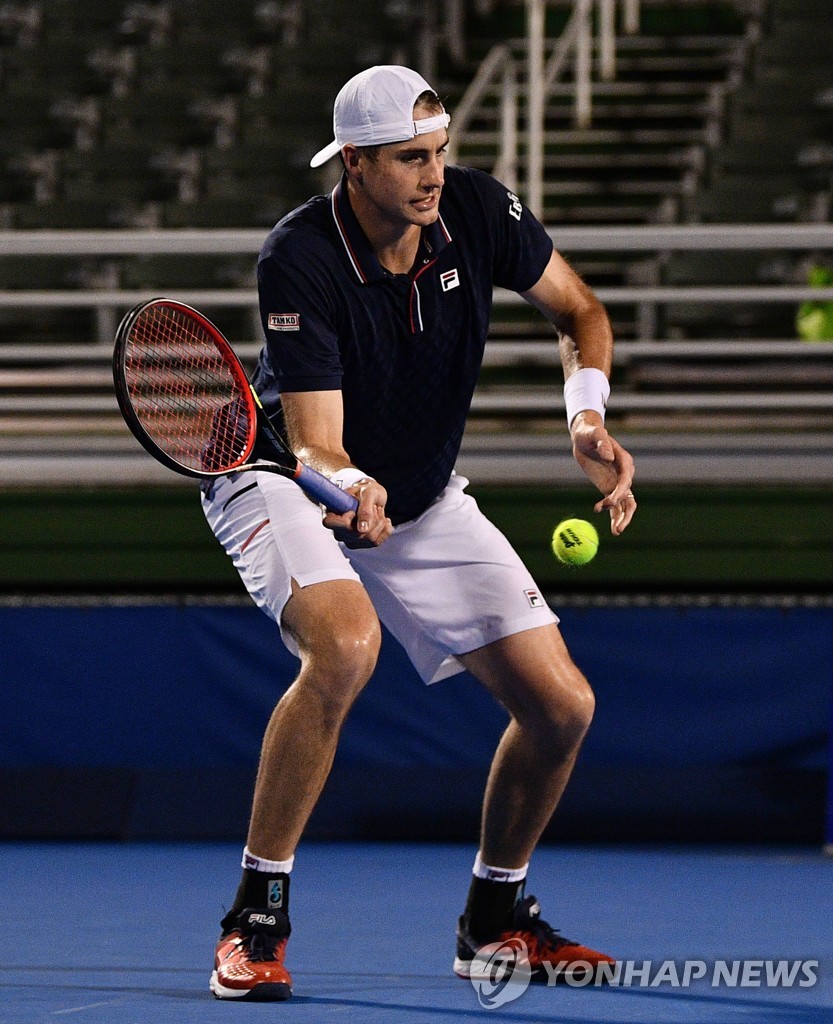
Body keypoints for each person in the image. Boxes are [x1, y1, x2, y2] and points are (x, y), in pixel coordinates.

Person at [202, 64, 636, 1001]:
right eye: (408, 158)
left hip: (421, 494)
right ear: (354, 164)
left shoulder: (476, 210)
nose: (433, 175)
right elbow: (319, 442)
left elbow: (579, 310)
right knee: (345, 647)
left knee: (561, 706)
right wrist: (353, 485)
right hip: (283, 478)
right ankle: (254, 920)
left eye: (439, 152)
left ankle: (494, 922)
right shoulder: (300, 255)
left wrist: (585, 418)